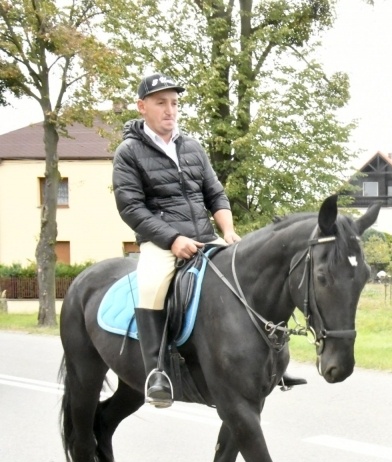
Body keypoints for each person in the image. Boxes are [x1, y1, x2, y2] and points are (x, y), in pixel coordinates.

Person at [113, 73, 304, 408]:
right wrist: (172, 239)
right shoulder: (128, 152)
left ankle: (271, 362)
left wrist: (228, 231)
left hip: (205, 238)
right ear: (142, 107)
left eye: (174, 103)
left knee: (244, 279)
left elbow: (215, 193)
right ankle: (156, 372)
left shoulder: (191, 147)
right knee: (153, 285)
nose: (170, 110)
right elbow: (131, 207)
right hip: (160, 243)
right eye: (161, 103)